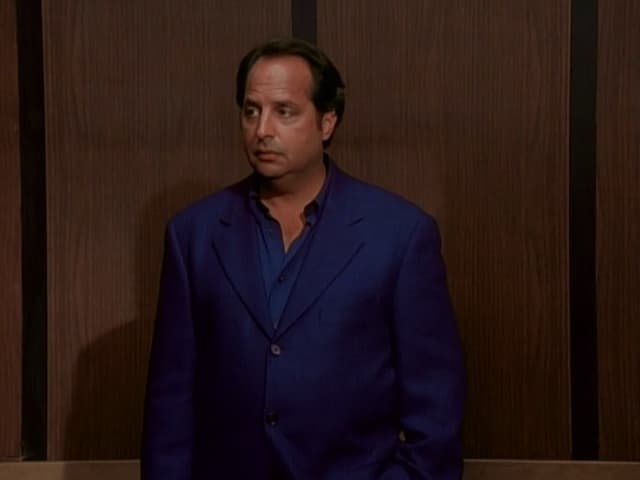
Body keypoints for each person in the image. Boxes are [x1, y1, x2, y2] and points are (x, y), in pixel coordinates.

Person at [141, 37, 465, 480]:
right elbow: (170, 406)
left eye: (284, 111)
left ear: (327, 122)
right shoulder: (193, 234)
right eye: (251, 111)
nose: (262, 130)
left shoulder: (400, 235)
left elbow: (436, 410)